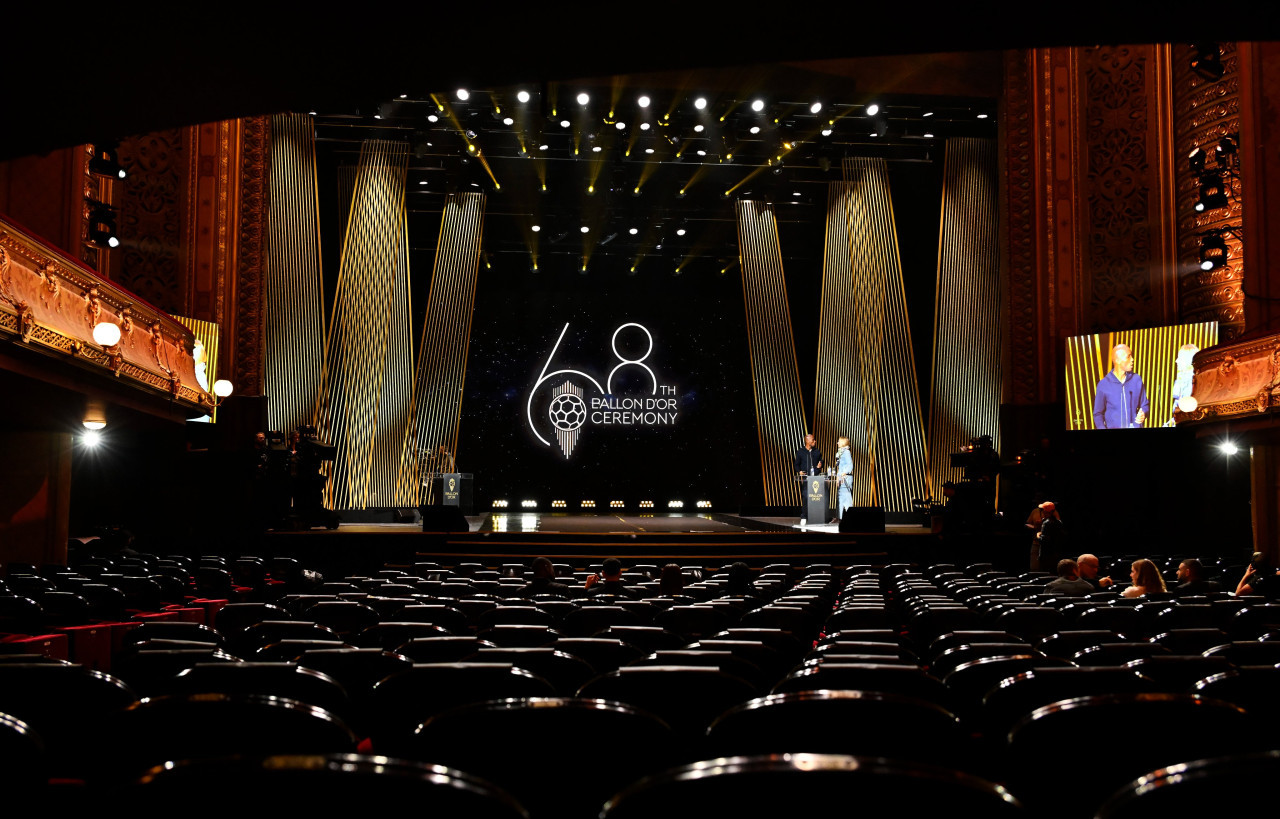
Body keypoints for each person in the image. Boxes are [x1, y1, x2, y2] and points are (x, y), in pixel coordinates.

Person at [1093, 343, 1149, 429]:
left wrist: (1143, 413)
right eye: (1128, 356)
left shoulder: (1137, 380)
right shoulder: (1103, 385)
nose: (1132, 359)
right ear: (1117, 360)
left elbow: (1145, 405)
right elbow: (1098, 414)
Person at [1031, 502, 1064, 571]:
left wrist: (1038, 535)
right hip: (1056, 554)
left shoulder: (1046, 523)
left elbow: (1044, 540)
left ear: (1046, 511)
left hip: (1046, 555)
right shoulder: (1059, 523)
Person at [834, 435, 854, 523]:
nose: (837, 443)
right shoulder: (841, 453)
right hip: (842, 478)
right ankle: (840, 518)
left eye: (838, 441)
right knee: (841, 498)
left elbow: (850, 466)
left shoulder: (846, 452)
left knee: (846, 499)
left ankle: (851, 519)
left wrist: (842, 474)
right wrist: (838, 477)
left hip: (845, 479)